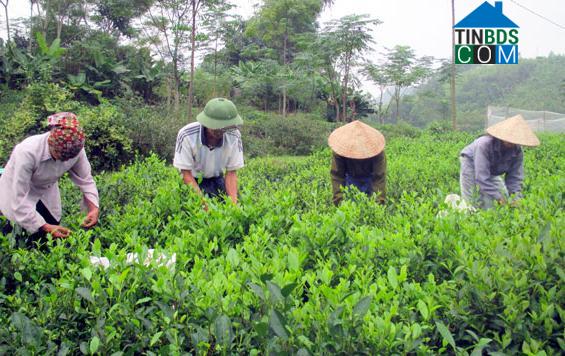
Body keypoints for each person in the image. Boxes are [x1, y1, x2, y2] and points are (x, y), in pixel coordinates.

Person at [0, 112, 100, 244]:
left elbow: (86, 180)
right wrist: (44, 227)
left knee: (49, 236)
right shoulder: (27, 152)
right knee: (16, 235)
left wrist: (94, 209)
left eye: (69, 158)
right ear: (50, 142)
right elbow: (19, 199)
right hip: (15, 191)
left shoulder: (75, 148)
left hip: (45, 189)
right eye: (59, 155)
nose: (64, 161)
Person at [174, 98, 244, 207]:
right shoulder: (186, 134)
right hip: (193, 180)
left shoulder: (234, 135)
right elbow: (185, 173)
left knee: (232, 208)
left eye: (224, 128)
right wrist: (204, 205)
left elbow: (231, 172)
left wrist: (233, 206)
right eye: (216, 127)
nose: (220, 131)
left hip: (217, 180)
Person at [459, 114, 540, 209]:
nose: (511, 142)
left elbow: (515, 178)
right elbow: (481, 177)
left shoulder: (517, 151)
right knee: (473, 200)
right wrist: (498, 198)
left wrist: (516, 198)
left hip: (491, 170)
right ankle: (472, 217)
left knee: (504, 195)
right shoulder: (483, 144)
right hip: (471, 162)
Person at [328, 120, 386, 206]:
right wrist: (339, 202)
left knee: (370, 205)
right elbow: (337, 176)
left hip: (370, 180)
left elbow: (379, 178)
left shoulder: (378, 153)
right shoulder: (339, 151)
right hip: (350, 179)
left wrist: (378, 205)